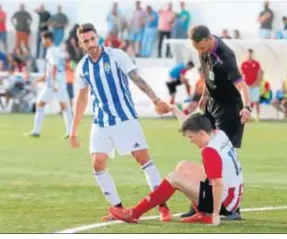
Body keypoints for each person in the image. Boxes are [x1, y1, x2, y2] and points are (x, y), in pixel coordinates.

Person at [68, 23, 172, 222]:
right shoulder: (82, 67)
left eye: (92, 39)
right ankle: (118, 209)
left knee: (142, 159)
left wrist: (155, 100)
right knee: (97, 163)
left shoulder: (117, 56)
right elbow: (81, 99)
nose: (90, 44)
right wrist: (74, 131)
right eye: (85, 41)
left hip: (125, 118)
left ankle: (162, 206)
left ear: (97, 37)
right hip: (101, 121)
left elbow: (136, 79)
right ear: (81, 44)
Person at [108, 109, 243, 225]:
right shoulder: (218, 134)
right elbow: (192, 125)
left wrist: (215, 214)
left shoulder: (209, 150)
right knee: (182, 167)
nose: (191, 141)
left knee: (173, 178)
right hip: (233, 194)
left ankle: (134, 213)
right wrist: (174, 109)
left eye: (191, 137)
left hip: (226, 202)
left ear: (201, 133)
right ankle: (202, 213)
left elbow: (218, 183)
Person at [180, 25, 251, 220]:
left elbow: (242, 86)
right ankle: (200, 203)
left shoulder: (225, 57)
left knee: (222, 156)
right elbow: (207, 75)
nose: (201, 52)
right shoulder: (202, 50)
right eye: (198, 49)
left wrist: (247, 108)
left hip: (229, 109)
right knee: (205, 151)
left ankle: (233, 208)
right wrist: (204, 95)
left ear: (210, 39)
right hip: (212, 104)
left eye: (203, 48)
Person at [28, 31, 73, 138]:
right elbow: (53, 68)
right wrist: (42, 78)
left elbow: (54, 66)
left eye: (43, 39)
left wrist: (52, 82)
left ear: (48, 39)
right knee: (64, 106)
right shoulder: (57, 50)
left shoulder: (51, 51)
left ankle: (36, 131)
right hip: (60, 82)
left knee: (41, 104)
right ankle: (70, 132)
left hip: (54, 84)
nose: (42, 42)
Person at [240, 48, 262, 121]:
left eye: (251, 54)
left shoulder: (256, 63)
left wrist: (256, 83)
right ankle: (246, 116)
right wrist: (243, 85)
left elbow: (259, 75)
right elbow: (240, 75)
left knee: (256, 101)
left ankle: (258, 116)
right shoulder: (243, 64)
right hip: (246, 86)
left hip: (254, 86)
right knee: (245, 102)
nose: (250, 55)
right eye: (248, 54)